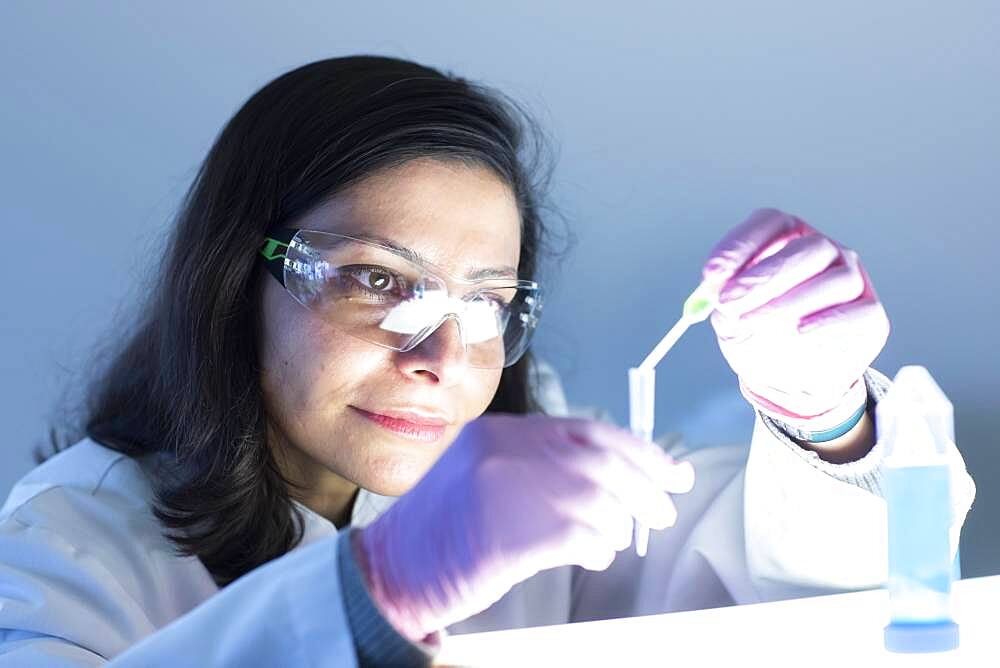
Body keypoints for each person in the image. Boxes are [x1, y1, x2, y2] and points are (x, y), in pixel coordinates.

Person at [0, 55, 975, 667]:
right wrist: (378, 589)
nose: (441, 354)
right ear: (232, 278)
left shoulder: (526, 476)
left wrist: (822, 418)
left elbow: (787, 613)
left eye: (484, 300)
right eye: (377, 281)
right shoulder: (61, 553)